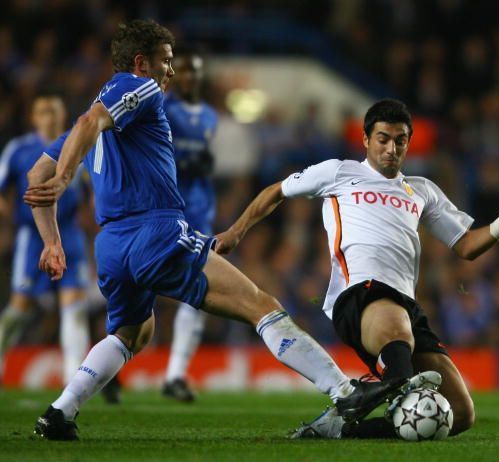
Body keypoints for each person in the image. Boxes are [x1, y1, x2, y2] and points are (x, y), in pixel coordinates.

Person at [24, 20, 422, 441]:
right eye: (166, 61)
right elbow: (86, 125)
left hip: (112, 246)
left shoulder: (98, 122)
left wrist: (52, 240)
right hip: (154, 232)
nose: (171, 72)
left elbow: (37, 174)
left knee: (132, 333)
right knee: (260, 304)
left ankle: (59, 413)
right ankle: (345, 393)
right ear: (142, 63)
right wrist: (67, 177)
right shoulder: (138, 88)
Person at [215, 98, 499, 439]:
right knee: (397, 337)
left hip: (404, 306)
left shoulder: (422, 190)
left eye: (400, 140)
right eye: (383, 138)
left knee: (459, 414)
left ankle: (342, 427)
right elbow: (276, 191)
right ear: (366, 140)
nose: (391, 148)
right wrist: (236, 232)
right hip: (358, 293)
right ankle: (391, 381)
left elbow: (466, 246)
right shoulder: (339, 172)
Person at [0, 92, 90, 387]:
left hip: (70, 235)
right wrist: (11, 215)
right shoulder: (19, 149)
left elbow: (91, 187)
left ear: (63, 115)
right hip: (32, 237)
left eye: (55, 110)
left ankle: (73, 380)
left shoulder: (77, 144)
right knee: (19, 308)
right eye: (44, 111)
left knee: (74, 307)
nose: (50, 116)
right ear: (34, 117)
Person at [160, 49, 218, 402]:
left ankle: (175, 374)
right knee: (140, 286)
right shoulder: (162, 109)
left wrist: (204, 165)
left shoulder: (211, 115)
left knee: (198, 291)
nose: (188, 77)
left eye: (193, 71)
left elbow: (206, 162)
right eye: (181, 70)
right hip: (166, 210)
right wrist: (184, 162)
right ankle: (110, 362)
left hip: (200, 213)